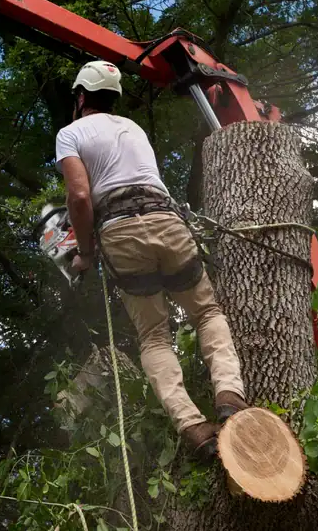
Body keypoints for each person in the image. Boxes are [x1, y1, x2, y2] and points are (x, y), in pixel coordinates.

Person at [55, 60, 248, 459]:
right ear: (114, 97)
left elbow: (78, 197)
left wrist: (86, 255)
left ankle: (193, 427)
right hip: (166, 220)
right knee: (207, 312)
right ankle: (230, 397)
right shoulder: (134, 128)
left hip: (119, 232)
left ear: (80, 96)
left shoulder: (70, 133)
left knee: (154, 335)